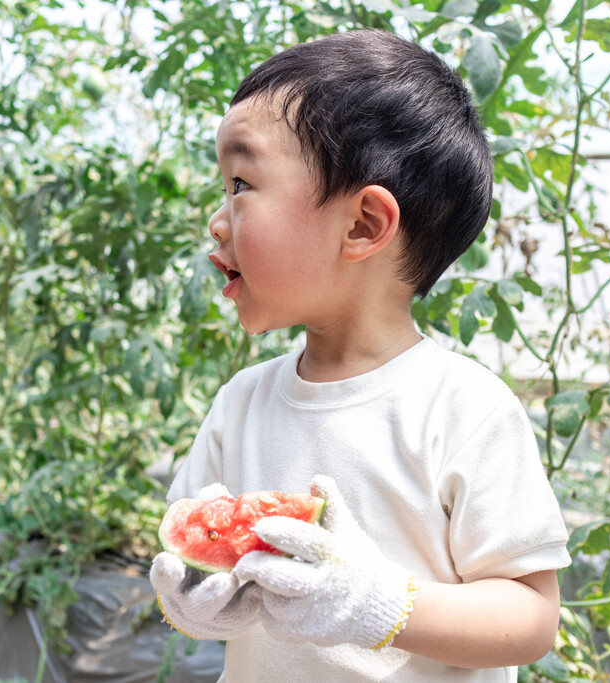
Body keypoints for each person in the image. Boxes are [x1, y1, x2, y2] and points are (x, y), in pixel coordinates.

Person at [150, 28, 571, 682]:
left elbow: (531, 618)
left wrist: (379, 602)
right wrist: (193, 608)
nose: (217, 217)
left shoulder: (465, 409)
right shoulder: (242, 402)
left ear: (363, 224)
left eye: (240, 181)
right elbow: (194, 575)